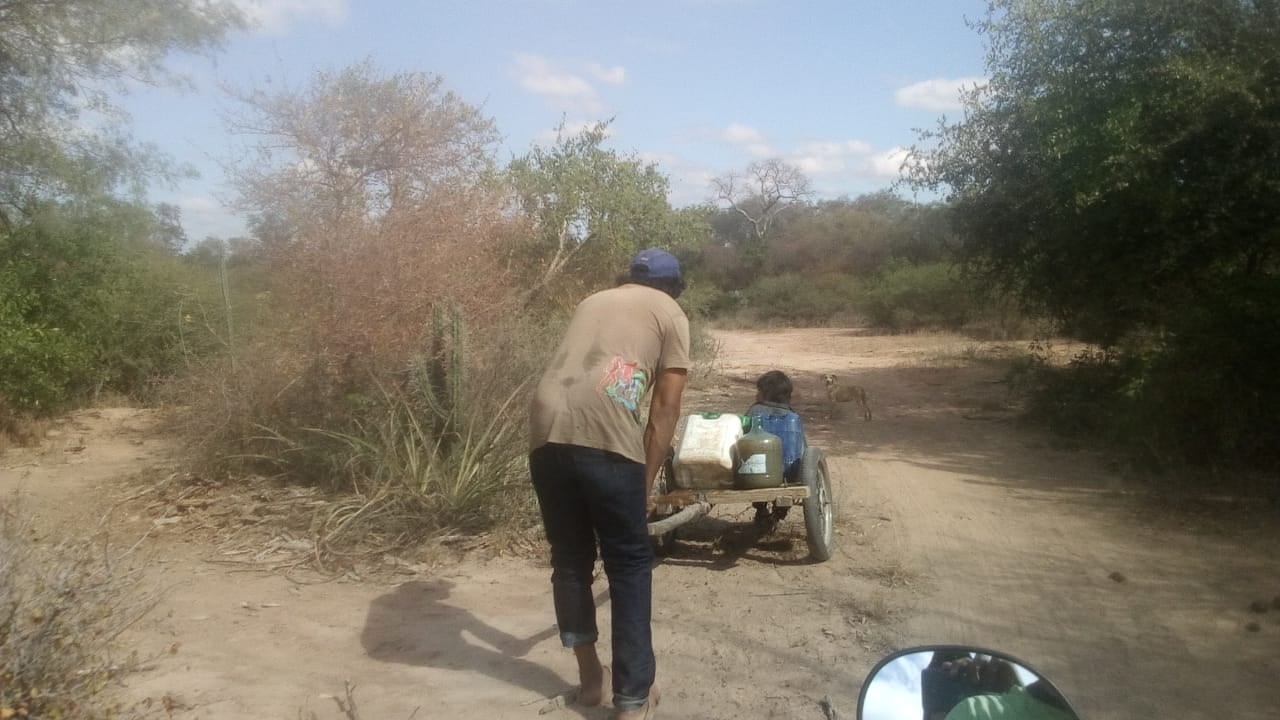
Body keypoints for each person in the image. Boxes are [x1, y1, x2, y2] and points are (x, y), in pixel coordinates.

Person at [528, 247, 691, 720]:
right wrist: (644, 482)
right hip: (604, 433)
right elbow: (664, 409)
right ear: (673, 287)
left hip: (544, 425)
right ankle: (633, 698)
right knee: (630, 563)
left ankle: (590, 682)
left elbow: (603, 371)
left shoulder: (592, 300)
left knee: (571, 561)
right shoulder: (670, 312)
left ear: (628, 279)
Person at [745, 370, 807, 526]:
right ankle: (780, 511)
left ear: (765, 394)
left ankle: (761, 508)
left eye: (758, 391)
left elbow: (742, 436)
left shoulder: (754, 411)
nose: (755, 395)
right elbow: (802, 448)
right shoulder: (793, 417)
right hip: (789, 475)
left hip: (757, 473)